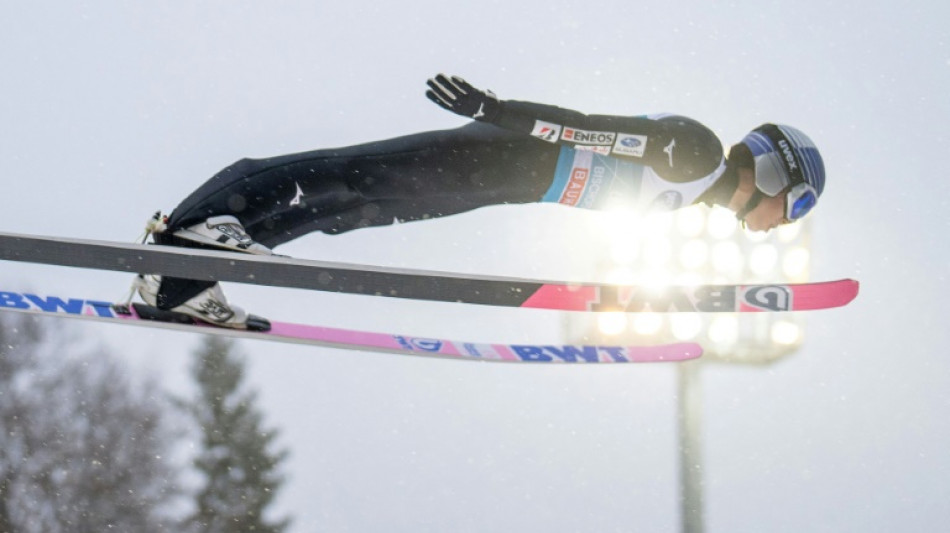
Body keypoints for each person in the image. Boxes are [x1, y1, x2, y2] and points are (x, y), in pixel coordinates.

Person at [134, 73, 826, 331]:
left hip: (512, 182)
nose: (779, 226)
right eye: (792, 209)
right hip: (509, 154)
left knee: (358, 208)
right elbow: (594, 129)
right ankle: (197, 226)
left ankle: (188, 276)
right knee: (355, 173)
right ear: (773, 176)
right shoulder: (699, 153)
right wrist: (501, 110)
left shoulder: (695, 199)